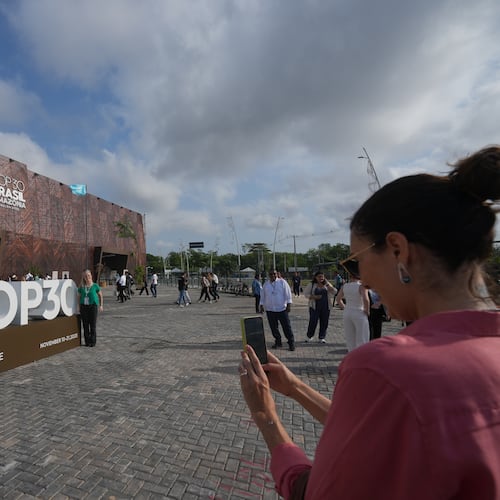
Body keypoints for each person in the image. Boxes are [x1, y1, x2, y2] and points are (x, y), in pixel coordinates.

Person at [239, 145, 500, 499]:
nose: (362, 276)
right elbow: (376, 433)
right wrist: (296, 388)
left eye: (358, 260)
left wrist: (266, 415)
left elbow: (317, 492)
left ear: (398, 250)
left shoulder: (386, 367)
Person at [259, 269, 295, 351]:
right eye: (271, 274)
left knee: (286, 327)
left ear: (277, 274)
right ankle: (278, 341)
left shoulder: (282, 282)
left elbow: (288, 294)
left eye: (274, 274)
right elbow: (263, 296)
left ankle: (291, 343)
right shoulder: (266, 284)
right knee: (273, 328)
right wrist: (261, 305)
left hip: (282, 309)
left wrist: (289, 305)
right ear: (269, 275)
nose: (273, 276)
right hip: (270, 309)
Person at [335, 271, 370, 351]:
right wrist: (367, 310)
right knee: (362, 337)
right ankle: (362, 356)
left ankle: (352, 355)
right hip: (359, 311)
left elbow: (338, 299)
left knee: (350, 337)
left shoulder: (345, 286)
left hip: (348, 311)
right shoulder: (361, 286)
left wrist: (344, 307)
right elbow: (366, 299)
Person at [303, 271, 336, 343]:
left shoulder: (327, 284)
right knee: (313, 321)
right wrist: (314, 297)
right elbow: (306, 294)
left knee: (324, 322)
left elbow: (334, 292)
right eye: (319, 276)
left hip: (325, 306)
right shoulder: (312, 284)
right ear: (316, 277)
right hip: (314, 306)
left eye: (322, 277)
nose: (321, 278)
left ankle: (321, 337)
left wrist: (327, 285)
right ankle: (309, 336)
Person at [77, 269, 103, 347]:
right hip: (84, 307)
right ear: (83, 277)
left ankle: (93, 341)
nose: (87, 277)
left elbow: (100, 295)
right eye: (85, 276)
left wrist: (101, 305)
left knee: (92, 325)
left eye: (88, 275)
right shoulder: (81, 287)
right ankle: (87, 342)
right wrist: (79, 307)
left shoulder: (95, 286)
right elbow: (78, 297)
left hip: (93, 306)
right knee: (85, 325)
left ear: (91, 276)